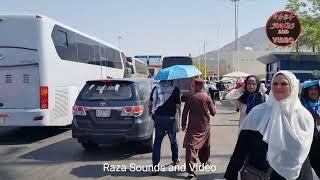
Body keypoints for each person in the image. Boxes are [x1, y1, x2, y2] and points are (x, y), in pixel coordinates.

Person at [224, 71, 314, 180]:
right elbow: (241, 147)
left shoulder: (304, 116)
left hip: (298, 175)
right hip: (263, 173)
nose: (278, 87)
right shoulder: (257, 113)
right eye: (275, 84)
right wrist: (231, 173)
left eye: (284, 84)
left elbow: (314, 151)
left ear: (293, 87)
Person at [181, 78, 216, 178]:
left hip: (193, 126)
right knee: (205, 144)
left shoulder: (191, 97)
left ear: (194, 86)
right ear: (203, 86)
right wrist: (213, 105)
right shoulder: (207, 97)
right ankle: (204, 161)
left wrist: (183, 125)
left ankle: (190, 170)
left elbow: (185, 113)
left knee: (191, 147)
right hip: (204, 126)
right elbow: (213, 113)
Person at [150, 80, 181, 176]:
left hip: (158, 119)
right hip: (170, 119)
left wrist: (151, 114)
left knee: (157, 142)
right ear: (171, 80)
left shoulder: (156, 89)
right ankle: (175, 159)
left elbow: (150, 103)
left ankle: (155, 167)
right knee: (173, 140)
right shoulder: (175, 89)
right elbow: (178, 106)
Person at [301, 80, 320, 177]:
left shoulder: (319, 105)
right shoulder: (301, 106)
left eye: (316, 89)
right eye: (311, 89)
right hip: (306, 148)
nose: (314, 92)